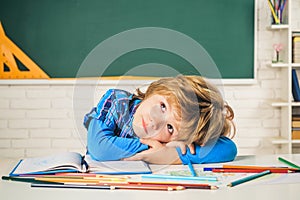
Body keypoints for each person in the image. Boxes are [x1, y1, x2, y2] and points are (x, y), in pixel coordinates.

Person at [84, 75, 237, 165]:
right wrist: (157, 149)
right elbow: (100, 148)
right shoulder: (117, 102)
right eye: (163, 106)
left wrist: (170, 154)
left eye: (170, 128)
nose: (155, 122)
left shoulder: (172, 140)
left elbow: (228, 149)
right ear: (156, 90)